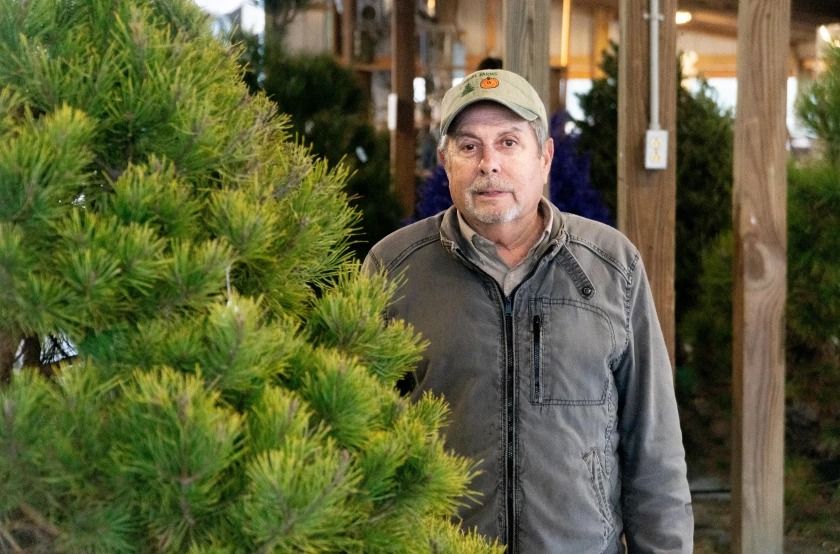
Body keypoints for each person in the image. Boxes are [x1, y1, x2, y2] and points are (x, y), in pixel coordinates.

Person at [363, 69, 693, 553]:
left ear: (545, 157)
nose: (489, 164)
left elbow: (654, 444)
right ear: (445, 161)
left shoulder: (611, 266)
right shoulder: (393, 268)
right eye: (469, 146)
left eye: (509, 142)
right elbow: (359, 440)